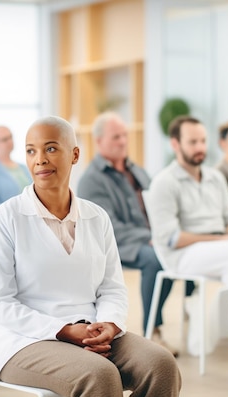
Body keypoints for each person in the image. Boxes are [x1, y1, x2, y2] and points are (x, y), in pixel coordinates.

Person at [0, 115, 181, 397]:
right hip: (22, 341)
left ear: (74, 154)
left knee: (161, 365)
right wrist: (64, 331)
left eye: (50, 149)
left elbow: (112, 287)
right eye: (31, 151)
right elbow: (1, 306)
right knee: (99, 375)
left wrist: (109, 325)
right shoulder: (4, 219)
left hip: (90, 330)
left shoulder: (97, 217)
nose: (39, 160)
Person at [147, 115, 228, 352]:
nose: (200, 147)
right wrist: (225, 238)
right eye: (193, 142)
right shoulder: (164, 182)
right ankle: (216, 325)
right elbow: (173, 238)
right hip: (181, 255)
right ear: (175, 144)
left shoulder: (215, 178)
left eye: (203, 141)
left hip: (222, 249)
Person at [77, 111, 185, 355]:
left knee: (180, 250)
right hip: (120, 243)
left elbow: (158, 206)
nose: (123, 141)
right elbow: (108, 226)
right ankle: (152, 329)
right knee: (155, 258)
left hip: (152, 237)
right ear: (99, 141)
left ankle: (190, 305)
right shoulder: (91, 180)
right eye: (116, 137)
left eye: (125, 135)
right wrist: (150, 238)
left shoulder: (137, 170)